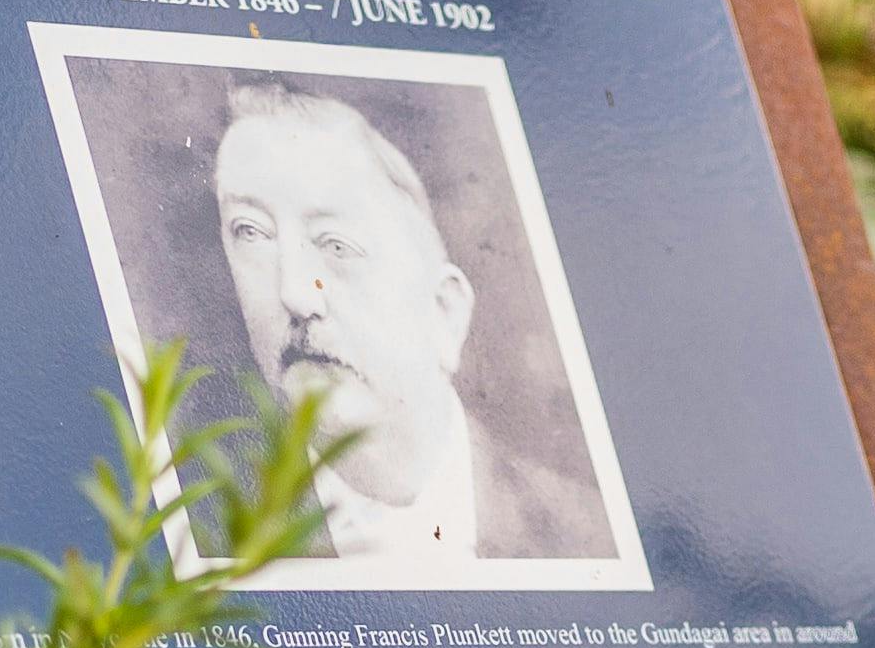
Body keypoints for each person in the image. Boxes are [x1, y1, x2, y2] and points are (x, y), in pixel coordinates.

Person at [202, 81, 610, 564]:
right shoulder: (200, 536)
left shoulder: (589, 534)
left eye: (336, 244)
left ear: (446, 314)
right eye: (252, 233)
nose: (294, 293)